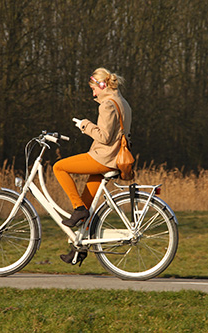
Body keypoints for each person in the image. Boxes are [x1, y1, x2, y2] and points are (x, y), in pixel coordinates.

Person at [53, 68, 132, 264]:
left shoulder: (107, 105)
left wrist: (84, 125)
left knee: (59, 167)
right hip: (113, 158)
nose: (92, 93)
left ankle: (77, 208)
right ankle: (78, 248)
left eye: (93, 88)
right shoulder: (123, 102)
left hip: (103, 157)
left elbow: (104, 137)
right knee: (88, 202)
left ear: (102, 85)